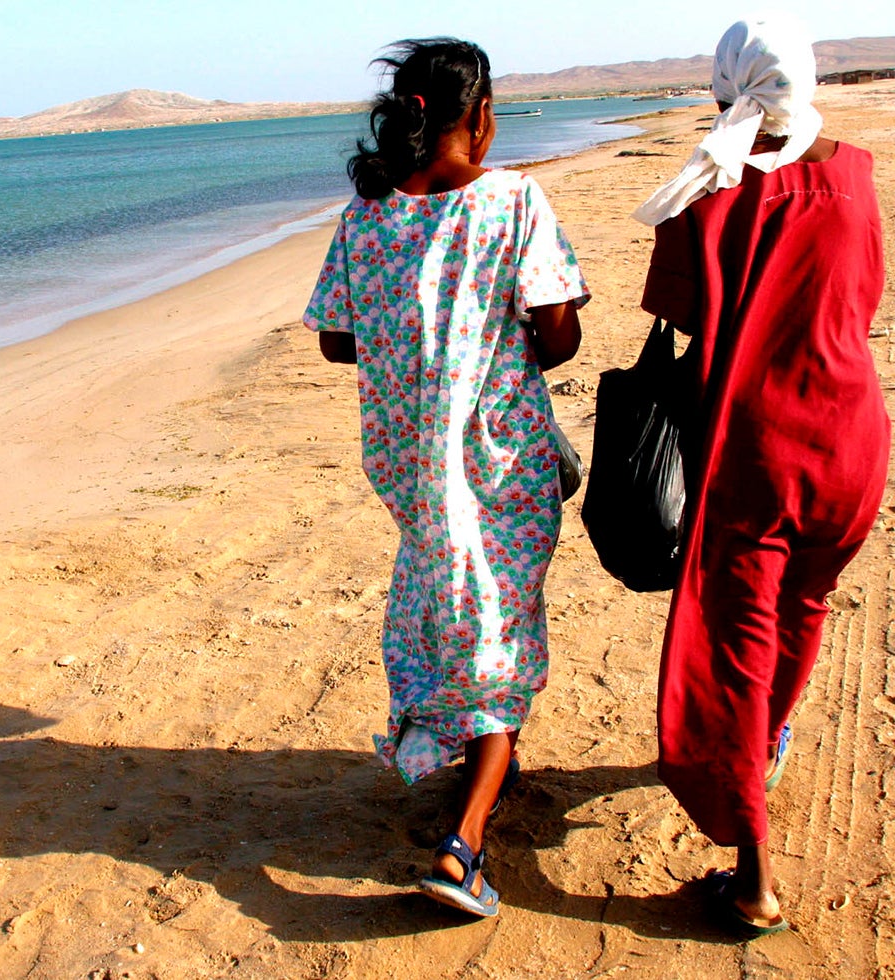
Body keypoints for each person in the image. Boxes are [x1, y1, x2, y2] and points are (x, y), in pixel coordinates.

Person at [304, 37, 586, 918]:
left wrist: (407, 341)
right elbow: (559, 335)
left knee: (456, 604)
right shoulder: (513, 200)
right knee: (495, 627)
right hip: (501, 463)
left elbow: (334, 338)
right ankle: (463, 844)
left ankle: (468, 753)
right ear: (481, 115)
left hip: (415, 472)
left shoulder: (368, 217)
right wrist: (524, 328)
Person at [634, 14, 888, 936]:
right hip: (853, 438)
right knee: (804, 608)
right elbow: (863, 291)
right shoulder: (856, 174)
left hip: (757, 446)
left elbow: (682, 315)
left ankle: (753, 877)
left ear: (723, 86)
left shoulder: (703, 194)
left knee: (732, 645)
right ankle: (765, 743)